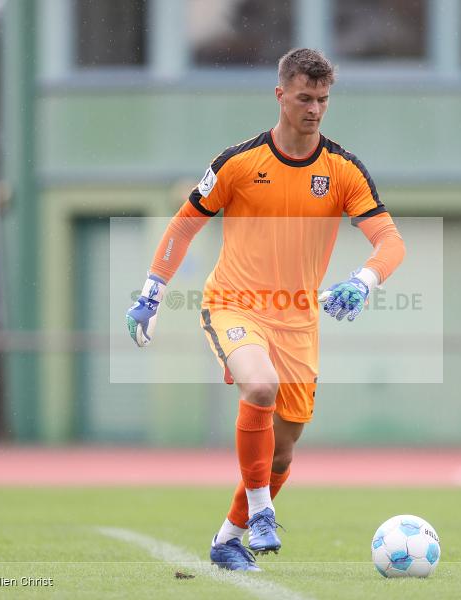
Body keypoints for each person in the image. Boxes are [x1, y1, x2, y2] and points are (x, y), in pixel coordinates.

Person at [127, 48, 405, 572]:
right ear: (280, 95)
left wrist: (364, 280)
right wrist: (152, 293)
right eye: (305, 98)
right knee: (259, 386)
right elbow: (185, 224)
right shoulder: (238, 162)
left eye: (323, 99)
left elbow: (389, 241)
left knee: (281, 453)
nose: (315, 109)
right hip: (233, 304)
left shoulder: (343, 170)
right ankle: (260, 511)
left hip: (297, 321)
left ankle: (228, 538)